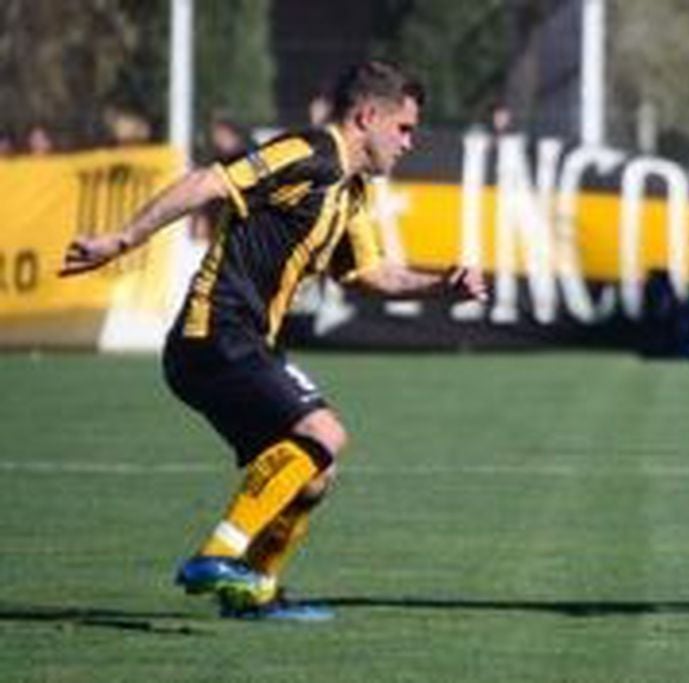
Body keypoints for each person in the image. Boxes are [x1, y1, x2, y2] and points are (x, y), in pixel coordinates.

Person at [60, 60, 488, 620]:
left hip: (247, 341)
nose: (409, 143)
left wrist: (441, 285)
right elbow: (207, 182)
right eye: (403, 129)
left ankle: (254, 591)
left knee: (315, 474)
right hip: (213, 329)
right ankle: (218, 554)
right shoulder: (307, 152)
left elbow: (368, 273)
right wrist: (124, 238)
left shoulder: (351, 192)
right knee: (325, 433)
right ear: (367, 116)